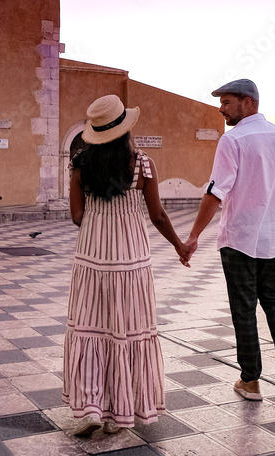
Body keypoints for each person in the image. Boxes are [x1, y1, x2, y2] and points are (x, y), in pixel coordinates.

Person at [63, 94, 190, 436]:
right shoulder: (143, 164)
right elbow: (158, 215)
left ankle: (91, 406)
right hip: (132, 262)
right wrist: (180, 245)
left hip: (91, 259)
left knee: (90, 328)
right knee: (126, 332)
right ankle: (120, 413)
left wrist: (98, 219)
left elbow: (77, 216)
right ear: (124, 128)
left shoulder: (80, 165)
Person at [184, 79, 275, 406]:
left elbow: (216, 191)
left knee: (244, 309)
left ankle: (251, 380)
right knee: (274, 301)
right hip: (274, 239)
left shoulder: (233, 139)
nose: (221, 108)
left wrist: (194, 234)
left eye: (226, 102)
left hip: (239, 238)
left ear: (248, 102)